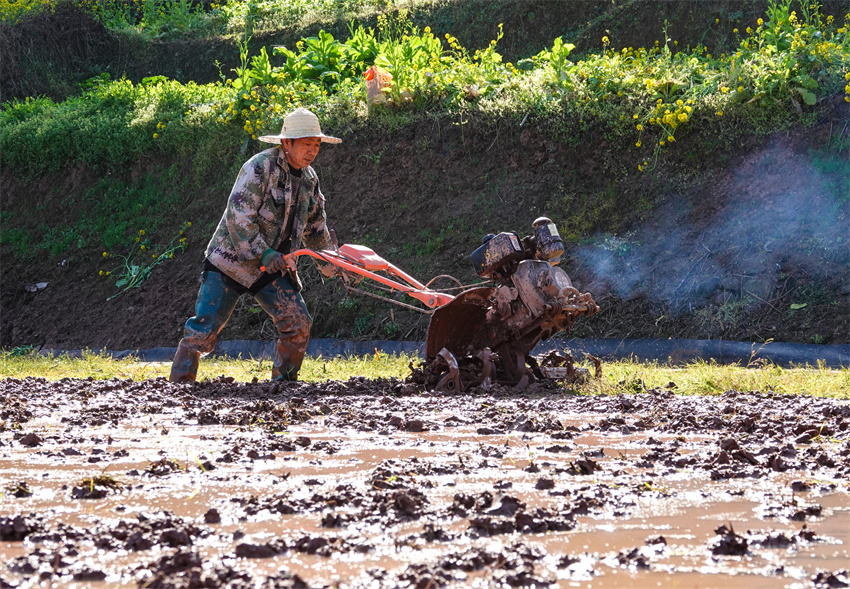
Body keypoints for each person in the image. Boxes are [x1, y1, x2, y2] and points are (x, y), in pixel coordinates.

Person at [169, 107, 340, 383]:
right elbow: (239, 215)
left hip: (270, 267)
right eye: (307, 144)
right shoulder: (259, 167)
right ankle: (180, 385)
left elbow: (316, 228)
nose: (312, 151)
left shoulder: (309, 180)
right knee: (204, 330)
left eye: (316, 145)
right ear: (287, 142)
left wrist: (333, 264)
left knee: (297, 322)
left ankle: (283, 385)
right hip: (231, 261)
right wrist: (265, 251)